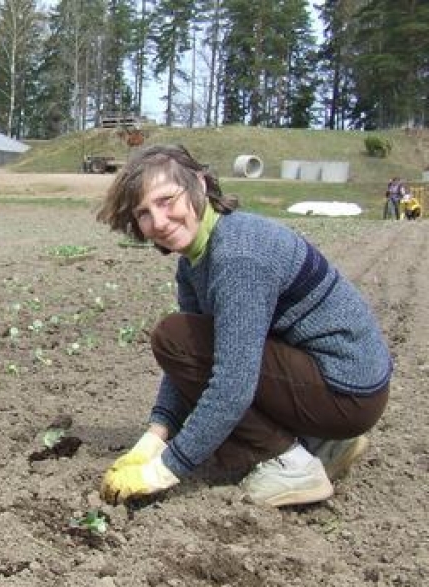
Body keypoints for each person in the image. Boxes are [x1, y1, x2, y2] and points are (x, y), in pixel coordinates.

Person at [95, 144, 392, 507]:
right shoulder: (195, 259)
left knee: (173, 338)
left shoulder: (238, 256)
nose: (157, 222)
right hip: (345, 387)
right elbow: (191, 357)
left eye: (166, 200)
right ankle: (325, 443)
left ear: (199, 186)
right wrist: (155, 436)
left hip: (347, 391)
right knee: (182, 338)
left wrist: (164, 469)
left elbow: (231, 384)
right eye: (143, 213)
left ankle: (290, 462)